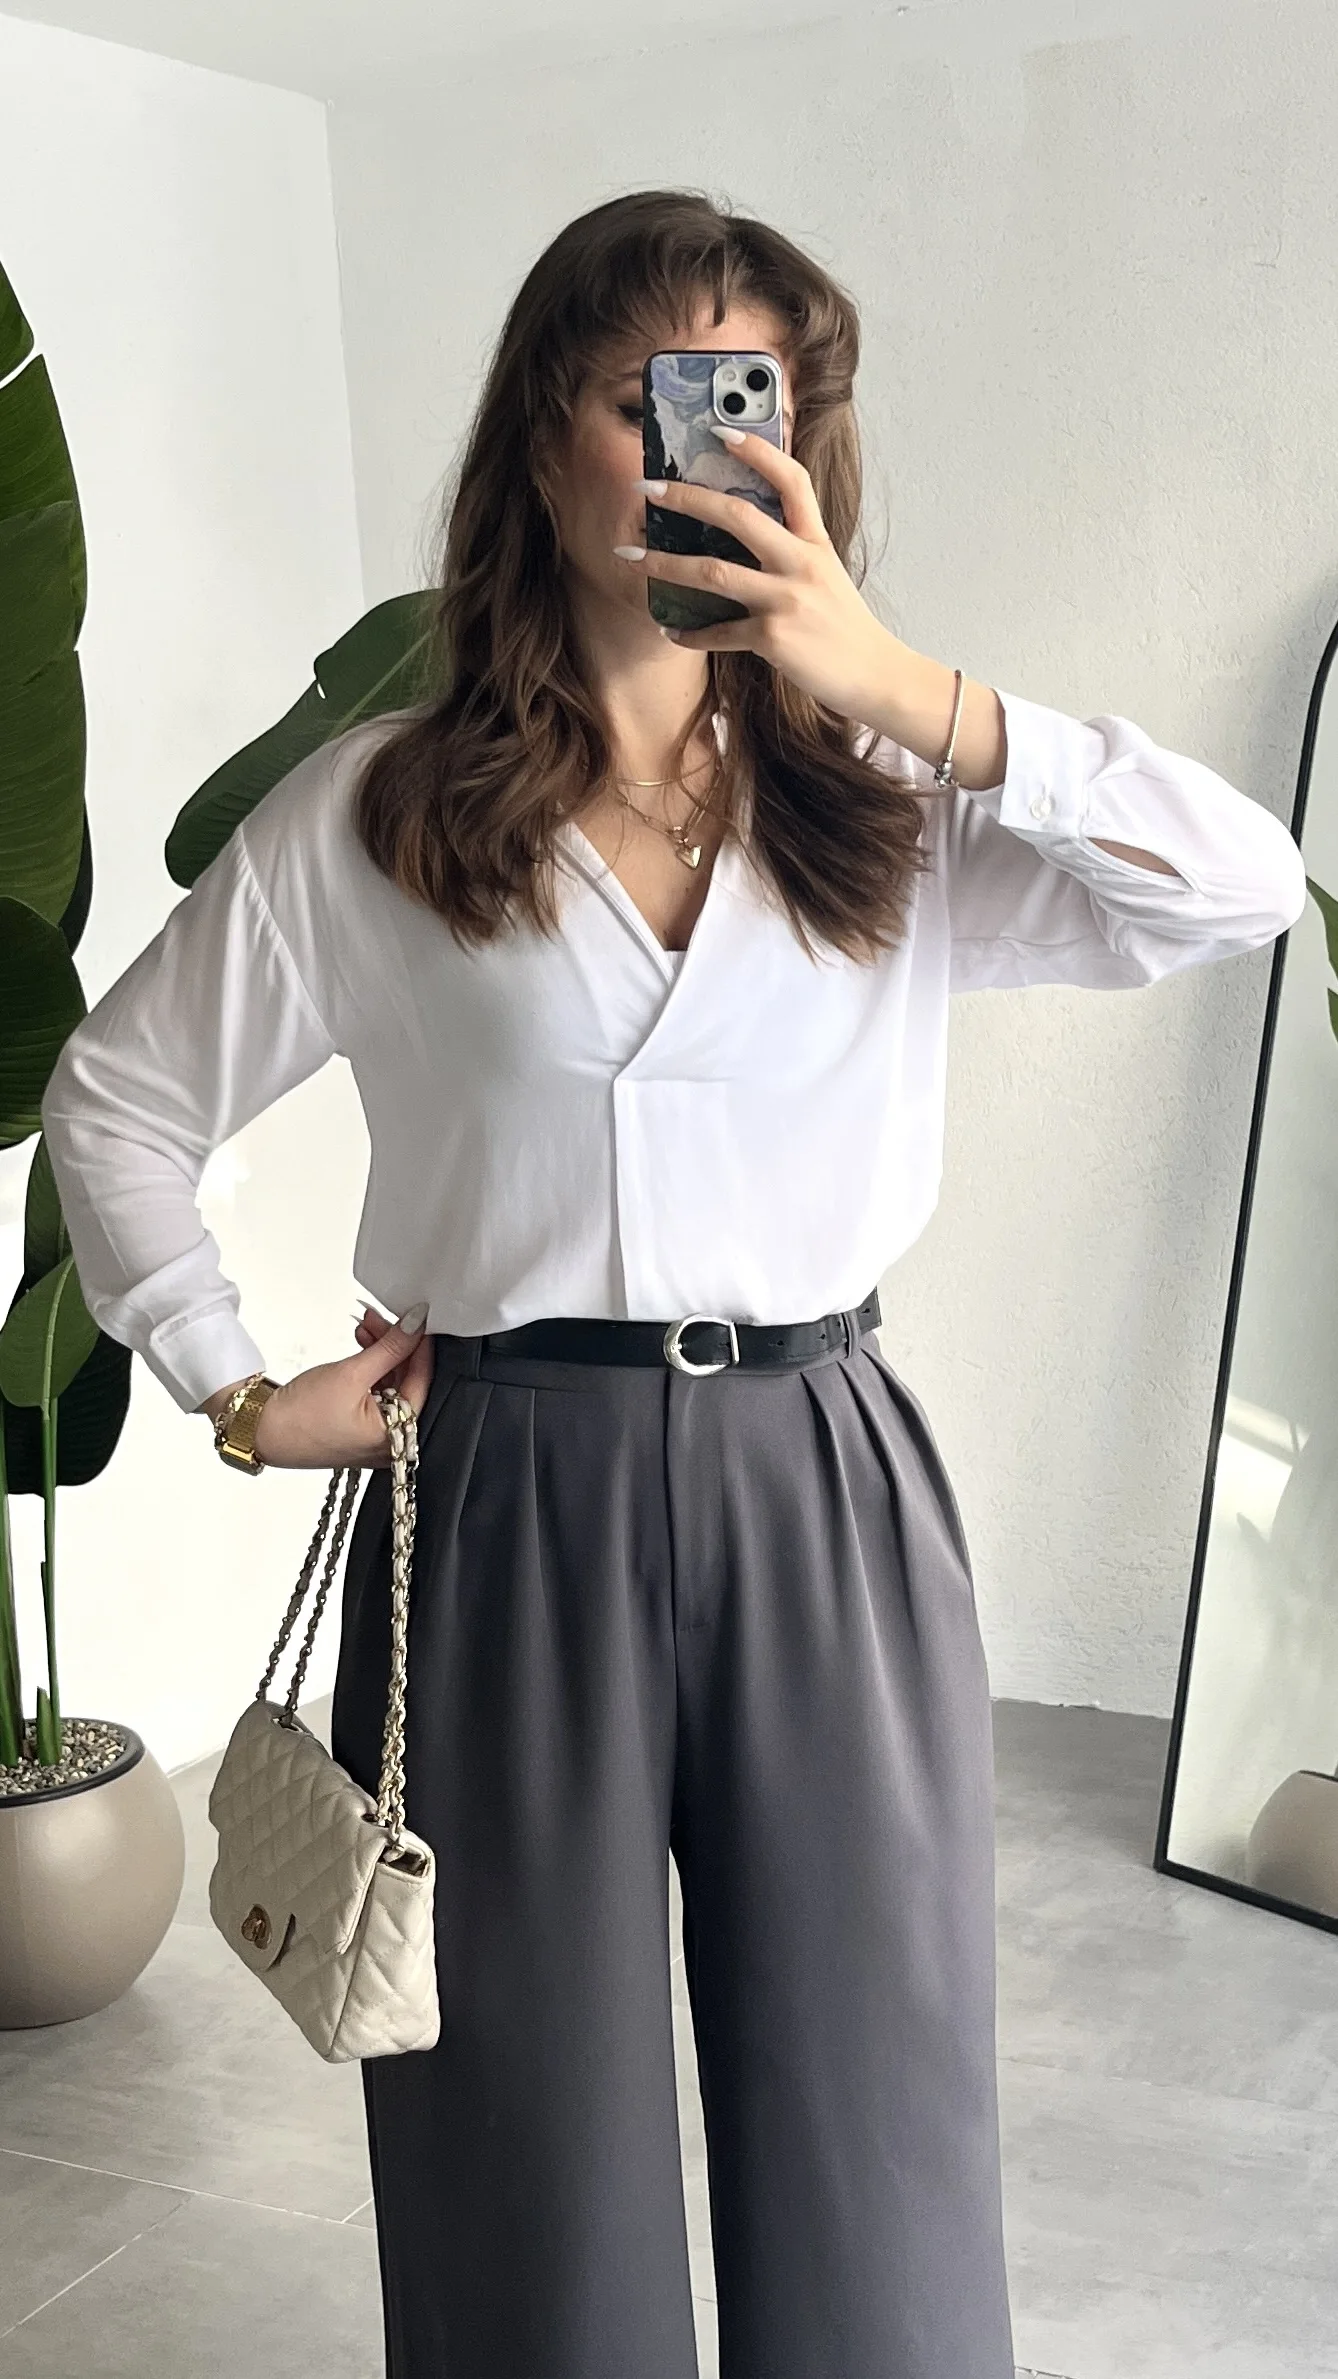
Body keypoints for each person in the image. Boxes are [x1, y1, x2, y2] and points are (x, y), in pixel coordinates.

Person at [39, 189, 1306, 2379]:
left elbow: (1245, 888)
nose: (707, 450)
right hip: (499, 1489)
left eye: (755, 405)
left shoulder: (887, 804)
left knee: (878, 2099)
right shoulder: (375, 820)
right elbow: (118, 1100)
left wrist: (899, 684)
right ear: (542, 441)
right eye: (653, 400)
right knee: (521, 2135)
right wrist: (236, 1384)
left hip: (824, 1473)